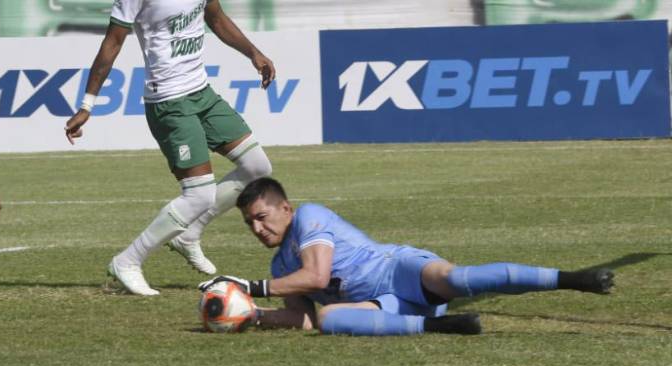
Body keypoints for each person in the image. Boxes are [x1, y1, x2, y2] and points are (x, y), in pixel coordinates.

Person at [199, 177, 615, 335]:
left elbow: (318, 276)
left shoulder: (309, 217)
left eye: (261, 217)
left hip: (399, 271)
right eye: (249, 224)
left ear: (285, 208)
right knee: (328, 320)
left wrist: (251, 287)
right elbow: (305, 318)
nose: (257, 229)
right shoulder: (279, 267)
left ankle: (574, 279)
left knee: (456, 280)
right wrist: (253, 315)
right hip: (385, 305)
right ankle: (442, 327)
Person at [64, 0, 274, 295]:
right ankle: (127, 262)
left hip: (202, 93)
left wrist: (254, 53)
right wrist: (87, 105)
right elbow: (111, 44)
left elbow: (216, 18)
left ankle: (190, 233)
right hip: (169, 102)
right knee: (199, 194)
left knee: (257, 167)